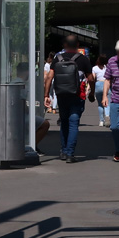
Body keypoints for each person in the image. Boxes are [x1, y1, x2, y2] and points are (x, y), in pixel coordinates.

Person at [43, 35, 94, 163]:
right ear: (77, 45)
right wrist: (92, 92)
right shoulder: (83, 59)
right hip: (77, 96)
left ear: (65, 45)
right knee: (73, 124)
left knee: (64, 123)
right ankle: (70, 153)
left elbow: (49, 77)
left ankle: (63, 151)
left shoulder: (57, 59)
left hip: (61, 95)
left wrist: (46, 95)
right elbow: (91, 78)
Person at [16, 61, 50, 152]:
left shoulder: (16, 82)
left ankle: (30, 144)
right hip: (20, 116)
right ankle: (32, 146)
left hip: (17, 115)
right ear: (26, 71)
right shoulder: (21, 84)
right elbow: (21, 102)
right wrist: (28, 111)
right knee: (45, 124)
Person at [93, 54, 109, 127]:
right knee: (107, 102)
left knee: (100, 104)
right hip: (107, 84)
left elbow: (93, 79)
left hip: (98, 84)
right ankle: (107, 115)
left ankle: (101, 121)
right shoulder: (108, 67)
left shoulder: (95, 68)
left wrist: (89, 89)